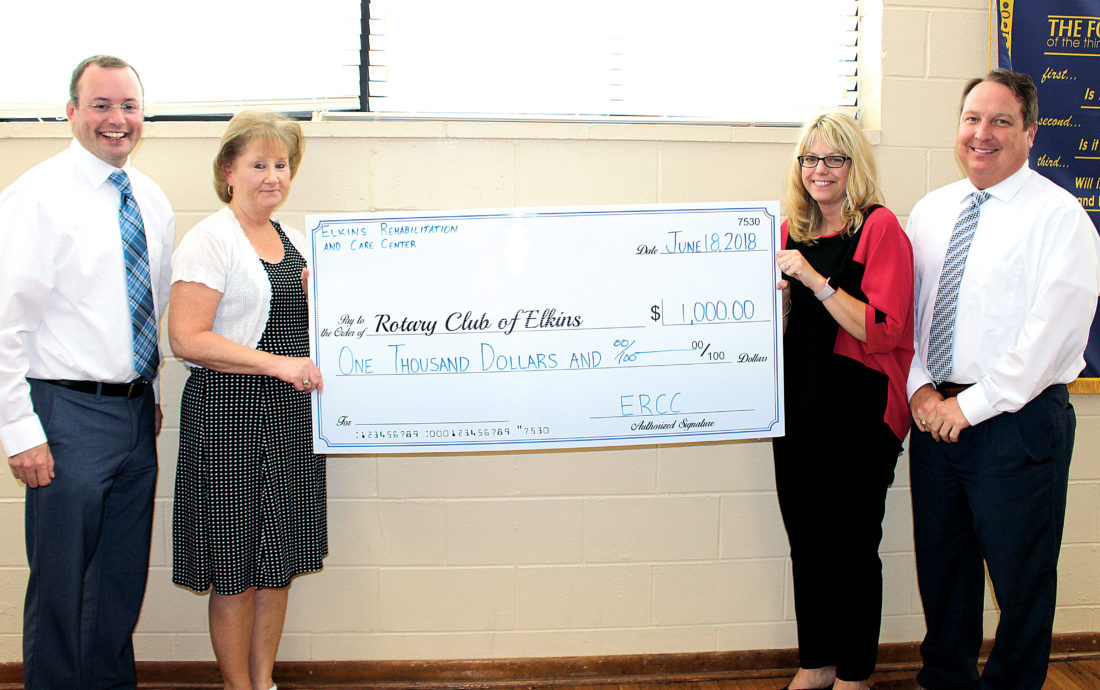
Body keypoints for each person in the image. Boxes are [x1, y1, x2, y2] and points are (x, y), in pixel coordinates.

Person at [905, 70, 1100, 689]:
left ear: (1030, 133)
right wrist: (920, 388)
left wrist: (975, 406)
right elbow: (910, 314)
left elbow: (1051, 335)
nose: (981, 133)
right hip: (936, 417)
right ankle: (946, 680)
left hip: (1017, 424)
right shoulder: (933, 211)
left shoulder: (1060, 218)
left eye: (1000, 121)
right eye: (971, 119)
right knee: (944, 570)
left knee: (1022, 578)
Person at [0, 55, 174, 689]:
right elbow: (6, 324)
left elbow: (150, 308)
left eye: (128, 106)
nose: (116, 119)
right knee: (62, 584)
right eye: (100, 105)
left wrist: (150, 393)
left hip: (133, 415)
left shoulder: (151, 200)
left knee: (119, 580)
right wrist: (19, 429)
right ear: (71, 112)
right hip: (64, 415)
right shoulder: (35, 198)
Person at [169, 109, 327, 690]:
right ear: (228, 171)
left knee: (277, 566)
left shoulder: (298, 242)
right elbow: (187, 338)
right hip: (227, 418)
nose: (272, 176)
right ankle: (239, 687)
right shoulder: (210, 240)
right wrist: (275, 364)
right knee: (234, 571)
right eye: (258, 163)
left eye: (281, 164)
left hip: (287, 421)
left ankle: (265, 682)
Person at [773, 112, 914, 690]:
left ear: (855, 165)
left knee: (853, 545)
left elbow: (881, 329)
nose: (820, 170)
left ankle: (855, 674)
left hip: (860, 414)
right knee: (807, 540)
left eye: (834, 159)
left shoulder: (880, 229)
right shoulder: (788, 233)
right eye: (810, 159)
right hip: (799, 409)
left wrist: (813, 279)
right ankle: (817, 663)